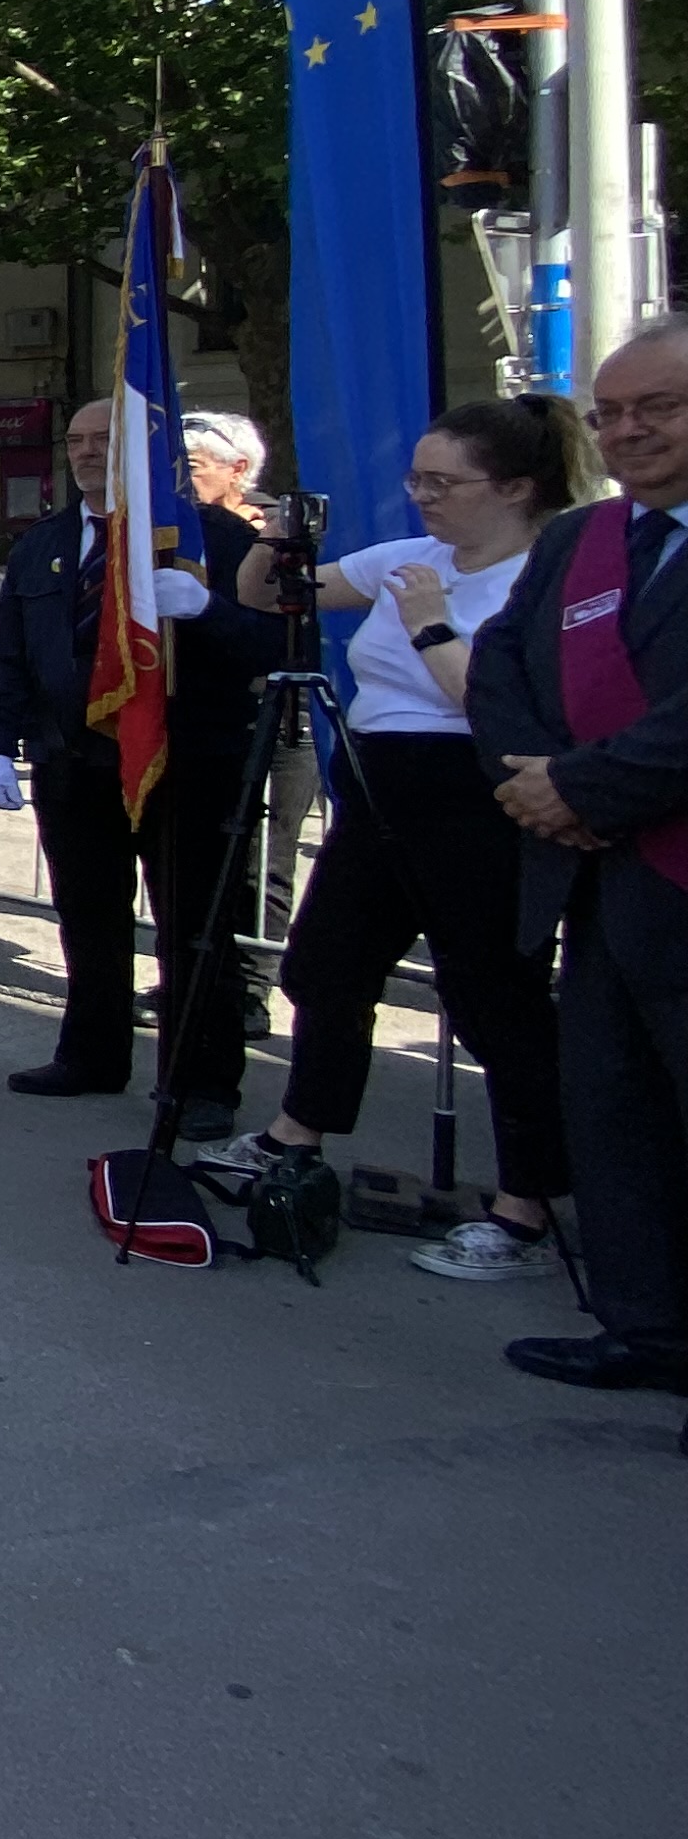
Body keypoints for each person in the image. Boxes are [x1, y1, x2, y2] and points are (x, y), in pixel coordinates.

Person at [195, 396, 588, 1279]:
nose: (424, 499)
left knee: (494, 998)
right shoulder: (410, 556)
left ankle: (526, 1204)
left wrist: (432, 623)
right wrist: (278, 536)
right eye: (418, 479)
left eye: (445, 483)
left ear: (517, 488)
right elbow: (268, 596)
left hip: (478, 795)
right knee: (326, 964)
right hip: (380, 787)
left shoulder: (543, 574)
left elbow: (490, 703)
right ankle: (298, 1132)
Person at [471, 321, 688, 1426]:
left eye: (660, 406)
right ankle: (645, 1327)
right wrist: (534, 780)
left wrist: (587, 790)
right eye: (610, 412)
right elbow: (504, 662)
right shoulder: (583, 539)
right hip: (595, 885)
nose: (630, 430)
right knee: (614, 1112)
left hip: (671, 866)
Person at [0, 393, 264, 1124]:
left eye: (106, 438)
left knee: (192, 929)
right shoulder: (43, 542)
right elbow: (11, 650)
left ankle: (201, 1083)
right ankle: (92, 1055)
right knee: (88, 917)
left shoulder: (215, 540)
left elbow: (279, 648)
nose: (86, 452)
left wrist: (208, 610)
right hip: (73, 761)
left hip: (185, 764)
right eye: (75, 440)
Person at [184, 409, 317, 1034]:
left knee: (265, 858)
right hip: (210, 717)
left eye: (193, 466)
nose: (181, 479)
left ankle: (252, 990)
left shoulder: (278, 530)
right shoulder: (183, 530)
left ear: (238, 469)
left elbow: (288, 630)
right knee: (207, 860)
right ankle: (195, 978)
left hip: (278, 715)